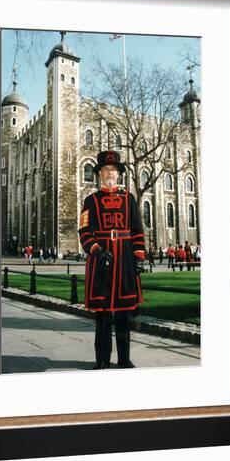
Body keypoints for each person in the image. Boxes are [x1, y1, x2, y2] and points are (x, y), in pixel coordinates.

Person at [78, 150, 145, 370]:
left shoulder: (129, 199)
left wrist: (138, 256)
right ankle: (102, 361)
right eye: (106, 169)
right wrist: (96, 250)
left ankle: (124, 360)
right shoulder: (90, 200)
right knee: (103, 317)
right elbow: (84, 231)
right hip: (102, 263)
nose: (110, 173)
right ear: (100, 174)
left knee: (125, 316)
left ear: (118, 174)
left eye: (113, 170)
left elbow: (137, 230)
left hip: (125, 260)